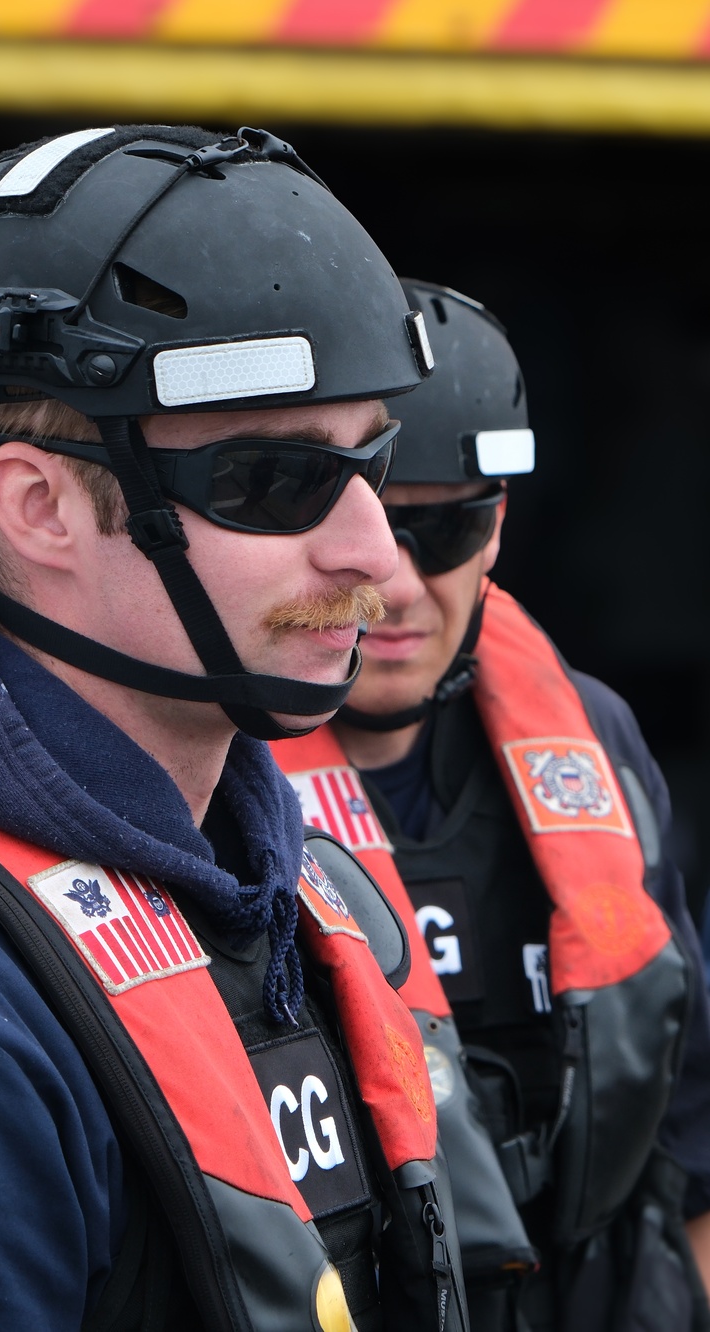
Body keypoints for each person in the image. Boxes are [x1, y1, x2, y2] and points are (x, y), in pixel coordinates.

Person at [0, 129, 470, 1330]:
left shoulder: (273, 876)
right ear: (39, 506)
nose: (375, 552)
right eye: (276, 482)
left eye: (372, 459)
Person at [272, 279, 710, 1332]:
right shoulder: (194, 776)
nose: (395, 580)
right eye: (362, 525)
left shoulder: (591, 744)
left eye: (446, 528)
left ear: (500, 529)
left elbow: (695, 1107)